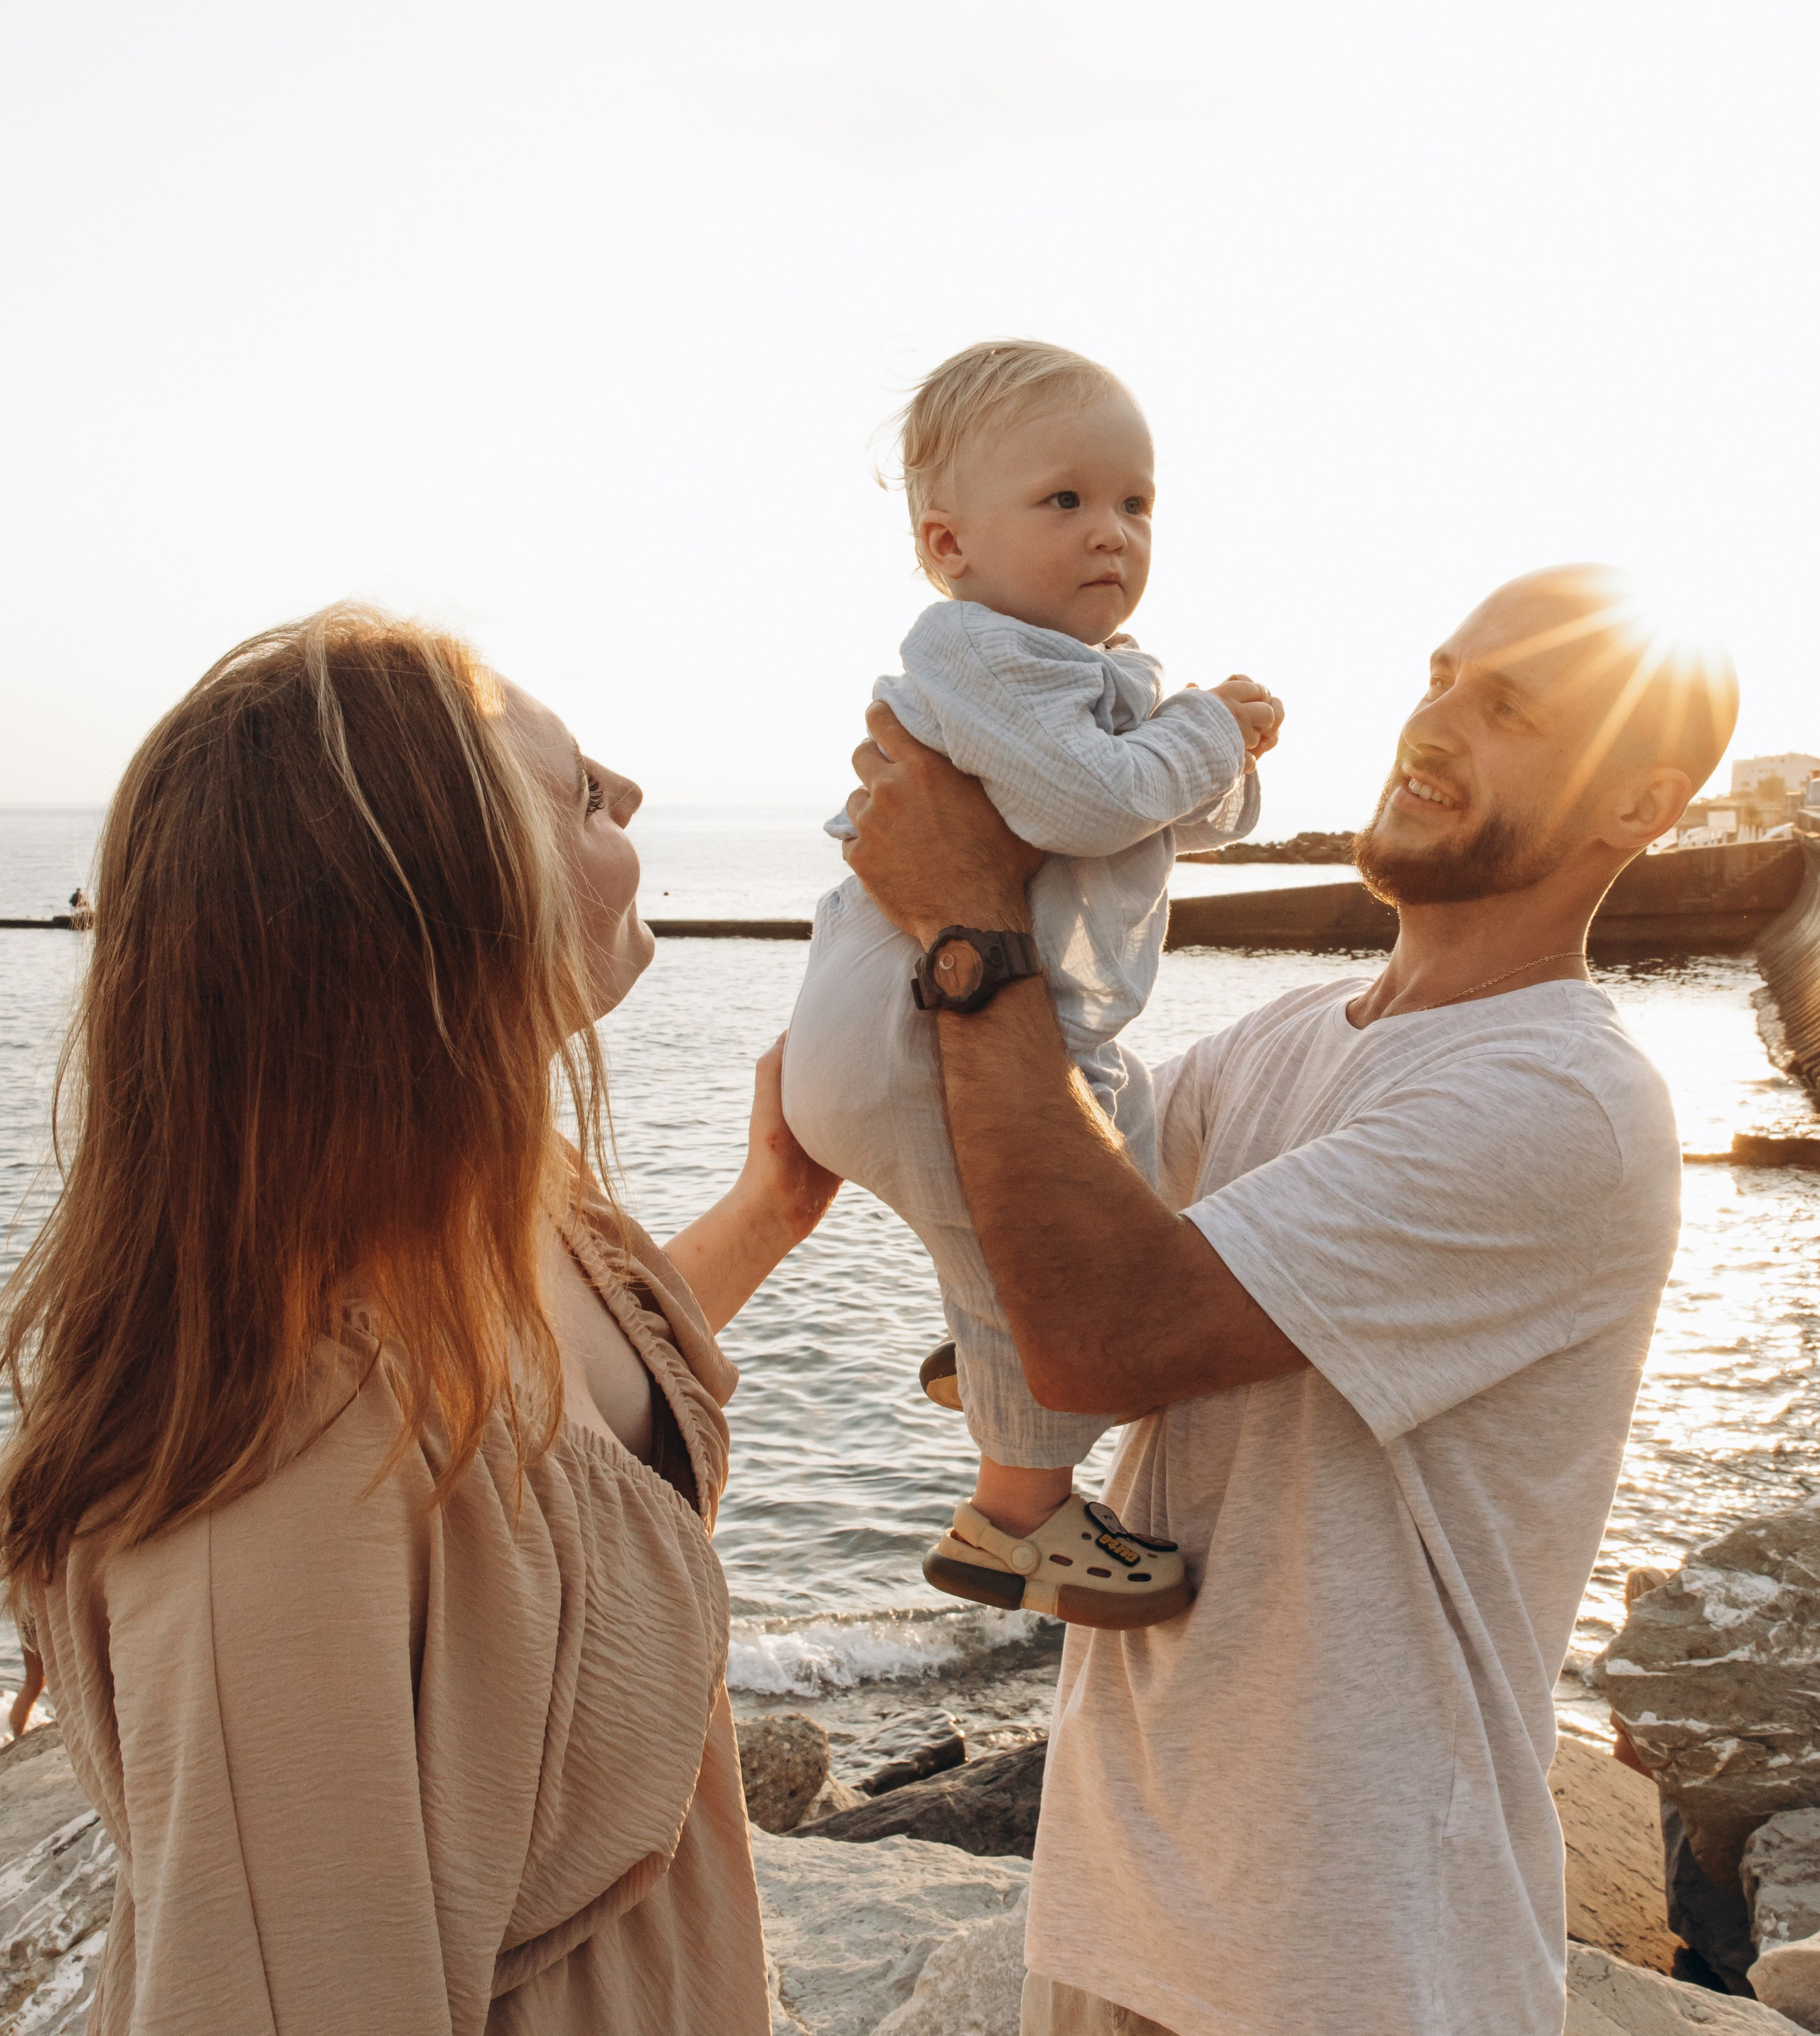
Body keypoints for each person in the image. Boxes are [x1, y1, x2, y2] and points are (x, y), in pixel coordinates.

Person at [837, 565, 1736, 2036]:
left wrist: (971, 924)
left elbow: (1092, 1335)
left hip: (1341, 1949)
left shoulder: (1552, 1098)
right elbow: (1022, 1204)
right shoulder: (1285, 1040)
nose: (1429, 724)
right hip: (1126, 1891)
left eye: (1501, 708)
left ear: (1634, 807)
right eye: (1439, 672)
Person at [0, 606, 839, 2035]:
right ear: (432, 896)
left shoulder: (513, 1206)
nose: (628, 793)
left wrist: (771, 1199)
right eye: (577, 790)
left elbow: (563, 1446)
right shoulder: (288, 1457)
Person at [784, 339, 1283, 1627]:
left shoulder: (1079, 674)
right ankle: (1016, 1519)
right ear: (950, 547)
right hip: (923, 1015)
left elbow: (1171, 818)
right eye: (1064, 500)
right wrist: (1209, 729)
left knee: (1117, 1170)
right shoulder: (978, 653)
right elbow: (1091, 799)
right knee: (1065, 1222)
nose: (1110, 531)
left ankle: (992, 1347)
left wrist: (1217, 751)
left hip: (901, 1014)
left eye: (1135, 501)